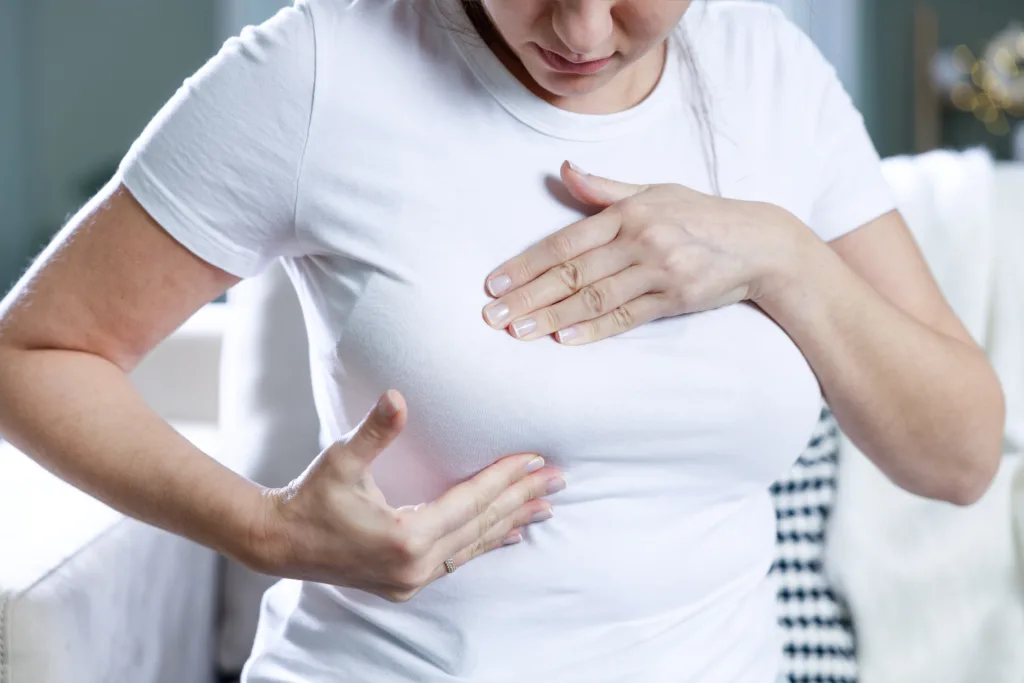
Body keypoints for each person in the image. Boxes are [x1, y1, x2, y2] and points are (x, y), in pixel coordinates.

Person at [0, 0, 1005, 681]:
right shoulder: (314, 71)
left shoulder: (769, 69)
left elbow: (957, 455)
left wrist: (783, 257)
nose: (577, 28)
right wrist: (270, 530)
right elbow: (33, 354)